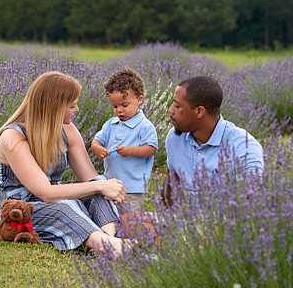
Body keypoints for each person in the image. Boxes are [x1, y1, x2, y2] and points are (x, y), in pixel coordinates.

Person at [0, 71, 129, 257]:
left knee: (98, 185)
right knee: (66, 207)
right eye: (71, 105)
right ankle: (108, 243)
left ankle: (107, 240)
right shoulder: (13, 136)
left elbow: (90, 179)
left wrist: (104, 185)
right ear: (54, 107)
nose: (77, 109)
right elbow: (45, 193)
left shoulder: (68, 130)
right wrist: (100, 185)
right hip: (20, 210)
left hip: (58, 201)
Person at [163, 75, 264, 205]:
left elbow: (250, 202)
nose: (170, 110)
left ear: (199, 111)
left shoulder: (243, 146)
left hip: (226, 221)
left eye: (177, 106)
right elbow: (170, 190)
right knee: (130, 219)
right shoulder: (175, 137)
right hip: (189, 221)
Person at [91, 68, 158, 214]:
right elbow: (97, 140)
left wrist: (131, 150)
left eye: (124, 105)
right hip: (110, 185)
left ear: (139, 100)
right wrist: (97, 148)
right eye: (115, 106)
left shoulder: (144, 126)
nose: (119, 110)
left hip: (132, 187)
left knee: (129, 218)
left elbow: (151, 149)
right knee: (110, 216)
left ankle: (133, 235)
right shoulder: (110, 124)